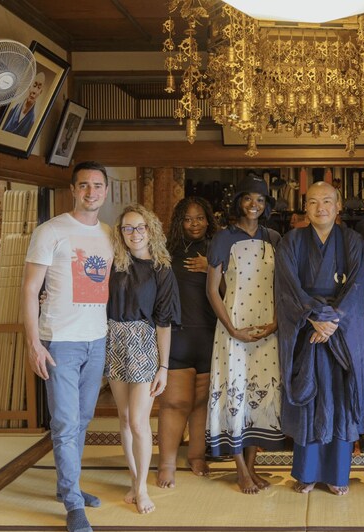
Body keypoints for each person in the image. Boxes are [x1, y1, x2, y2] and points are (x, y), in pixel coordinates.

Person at [21, 161, 112, 532]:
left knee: (83, 418)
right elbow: (29, 289)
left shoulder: (110, 233)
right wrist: (33, 344)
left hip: (97, 337)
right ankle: (73, 502)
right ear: (73, 190)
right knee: (63, 421)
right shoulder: (51, 231)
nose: (91, 192)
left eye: (97, 186)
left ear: (105, 191)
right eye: (84, 186)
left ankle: (66, 486)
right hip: (59, 339)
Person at [275, 181, 364, 496]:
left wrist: (332, 319)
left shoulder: (353, 241)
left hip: (340, 332)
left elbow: (357, 285)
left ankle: (337, 474)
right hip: (308, 332)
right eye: (313, 202)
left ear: (338, 206)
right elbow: (287, 287)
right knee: (309, 400)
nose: (321, 208)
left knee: (339, 401)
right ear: (306, 207)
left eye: (327, 201)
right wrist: (314, 317)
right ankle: (306, 472)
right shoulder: (291, 242)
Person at [205, 174, 285, 494]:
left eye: (261, 200)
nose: (254, 205)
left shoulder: (276, 237)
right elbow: (212, 290)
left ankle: (252, 467)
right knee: (235, 391)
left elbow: (283, 286)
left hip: (267, 326)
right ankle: (240, 469)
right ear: (239, 201)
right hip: (233, 326)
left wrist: (277, 322)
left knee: (260, 394)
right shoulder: (223, 238)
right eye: (249, 198)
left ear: (266, 205)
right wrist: (231, 328)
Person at [105, 204, 178, 514]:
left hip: (144, 343)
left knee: (138, 420)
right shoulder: (113, 263)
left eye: (140, 227)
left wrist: (163, 366)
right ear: (120, 233)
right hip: (113, 339)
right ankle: (134, 480)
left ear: (151, 230)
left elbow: (164, 322)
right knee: (123, 418)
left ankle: (144, 487)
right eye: (127, 228)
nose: (134, 234)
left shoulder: (161, 268)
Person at [157, 197, 219, 487]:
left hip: (211, 335)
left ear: (208, 219)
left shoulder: (219, 250)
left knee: (202, 402)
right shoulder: (166, 252)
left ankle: (197, 455)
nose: (194, 224)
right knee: (175, 403)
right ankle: (166, 463)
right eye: (188, 219)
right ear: (179, 221)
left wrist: (212, 269)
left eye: (200, 218)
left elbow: (235, 291)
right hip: (178, 334)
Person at [3, 71, 45, 137]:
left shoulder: (32, 122)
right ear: (29, 86)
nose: (34, 91)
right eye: (34, 85)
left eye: (39, 88)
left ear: (40, 92)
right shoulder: (13, 109)